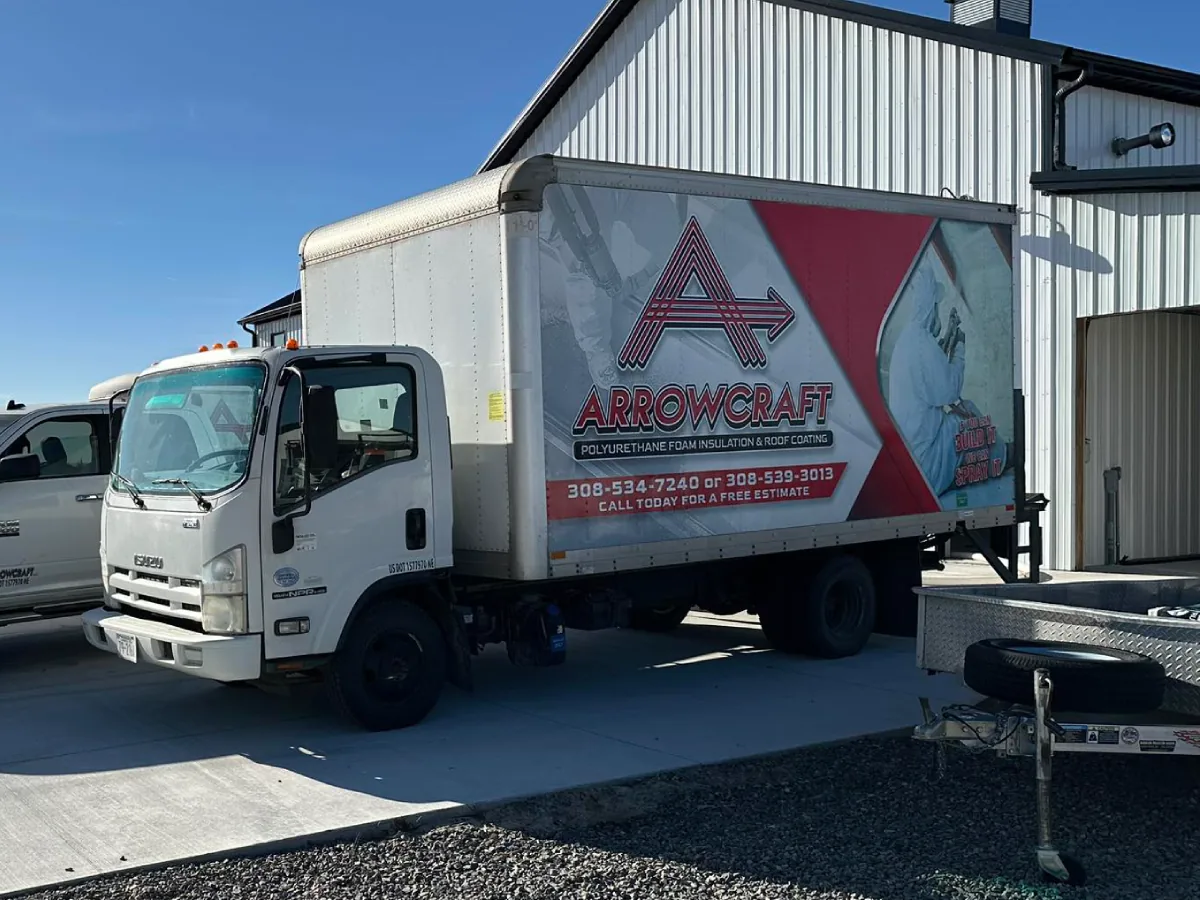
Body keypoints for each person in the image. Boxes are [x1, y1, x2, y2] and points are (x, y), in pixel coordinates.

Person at [888, 264, 1010, 498]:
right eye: (936, 306)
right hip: (927, 462)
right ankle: (1004, 458)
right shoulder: (921, 344)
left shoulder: (910, 340)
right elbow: (949, 391)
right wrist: (960, 348)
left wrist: (947, 339)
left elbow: (930, 378)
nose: (936, 312)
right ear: (929, 306)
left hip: (914, 453)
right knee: (972, 419)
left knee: (961, 417)